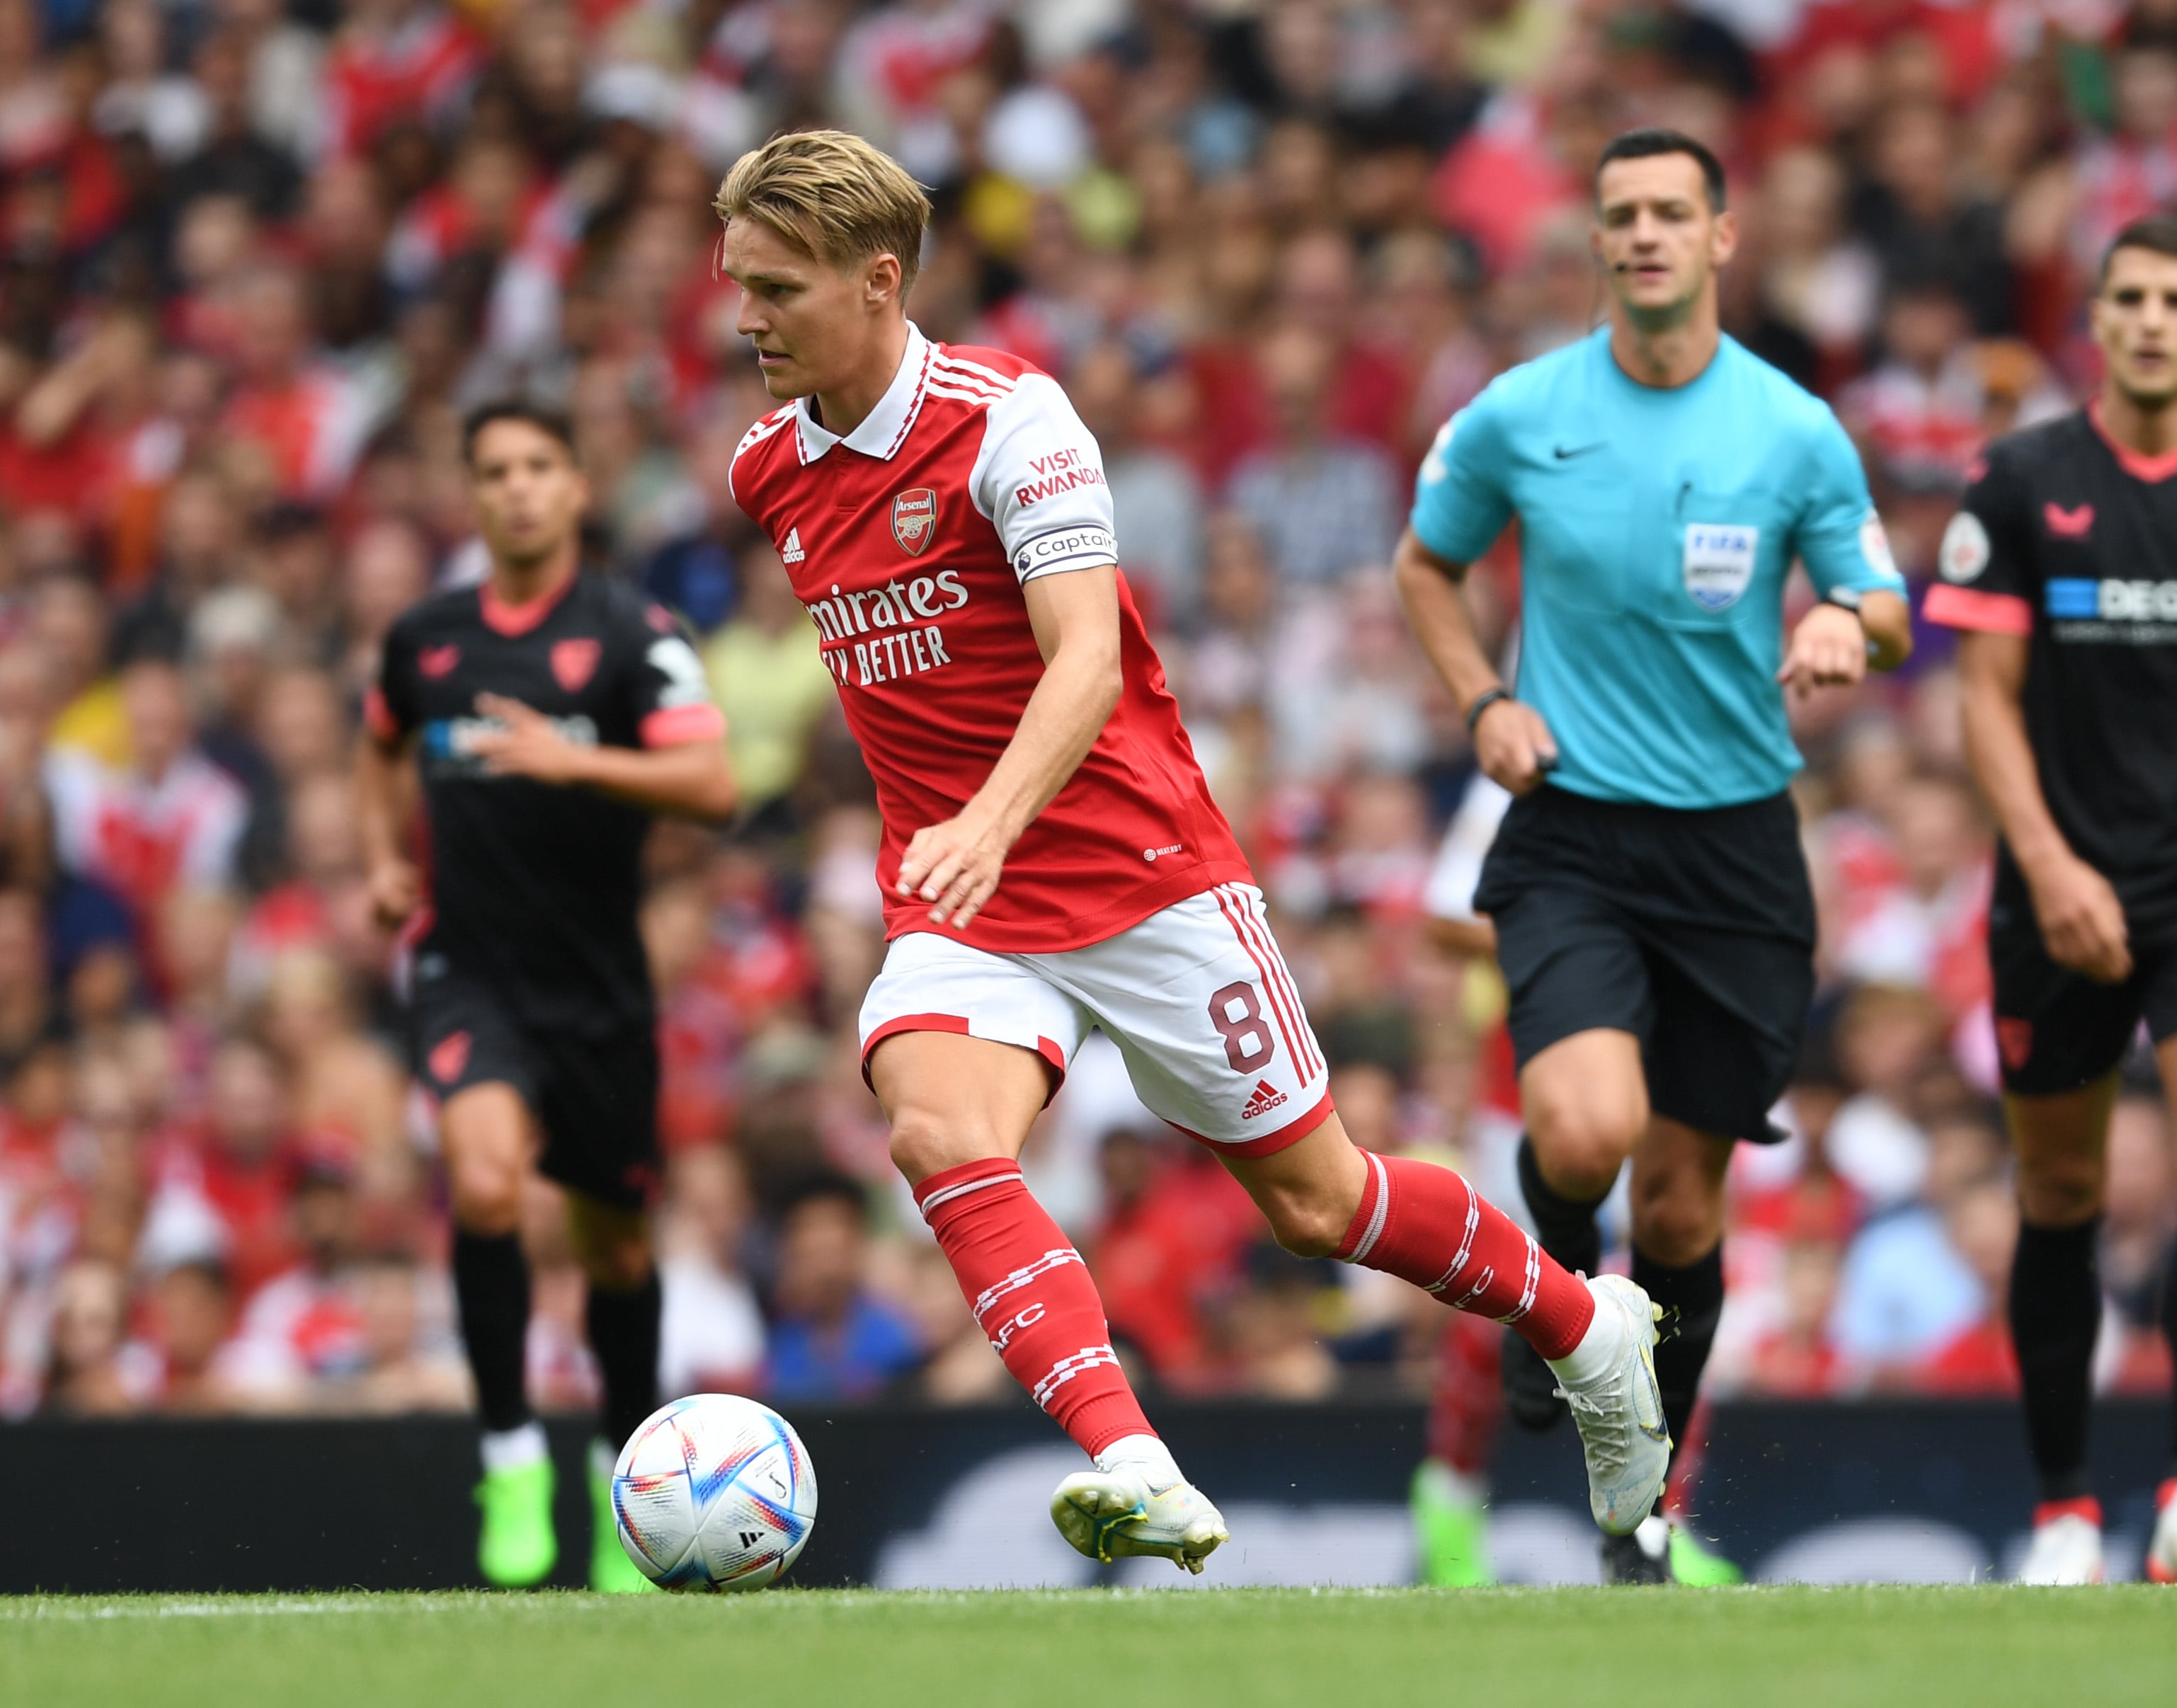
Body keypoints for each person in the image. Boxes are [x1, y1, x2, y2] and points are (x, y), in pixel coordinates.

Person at [715, 128, 1672, 1577]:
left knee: (1320, 1203)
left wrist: (986, 812)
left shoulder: (1012, 424)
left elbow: (1086, 662)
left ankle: (1581, 1325)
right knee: (932, 1129)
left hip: (1140, 872)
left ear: (879, 280)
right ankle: (1132, 1459)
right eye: (736, 284)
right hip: (965, 903)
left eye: (776, 287)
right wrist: (950, 836)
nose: (745, 316)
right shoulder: (764, 469)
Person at [1392, 127, 1913, 1581]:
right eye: (1618, 214)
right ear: (1596, 240)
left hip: (1738, 853)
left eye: (1668, 212)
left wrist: (1836, 624)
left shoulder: (1792, 429)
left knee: (1682, 1203)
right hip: (1571, 827)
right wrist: (1481, 700)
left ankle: (1637, 1516)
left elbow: (1879, 602)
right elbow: (1422, 566)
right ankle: (1544, 1312)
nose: (1641, 235)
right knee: (1574, 1130)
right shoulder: (1518, 414)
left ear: (1719, 237)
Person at [355, 400, 736, 1590]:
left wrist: (576, 758)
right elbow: (380, 740)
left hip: (599, 990)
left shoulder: (634, 632)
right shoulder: (424, 637)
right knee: (482, 1180)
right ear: (471, 494)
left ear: (578, 485)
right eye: (494, 472)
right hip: (469, 967)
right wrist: (382, 858)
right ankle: (512, 1450)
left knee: (616, 1252)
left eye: (538, 467)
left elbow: (714, 783)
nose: (517, 489)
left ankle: (625, 1473)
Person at [1929, 212, 2177, 1586]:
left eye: (2171, 300)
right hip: (2053, 885)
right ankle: (2064, 1509)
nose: (2151, 320)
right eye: (2129, 297)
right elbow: (1980, 700)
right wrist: (2050, 862)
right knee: (2060, 1192)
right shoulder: (2021, 480)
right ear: (2095, 316)